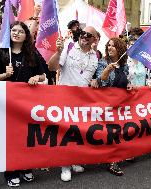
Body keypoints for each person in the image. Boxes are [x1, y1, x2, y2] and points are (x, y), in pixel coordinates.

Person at [48, 26, 99, 181]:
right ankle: (65, 165)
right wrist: (57, 52)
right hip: (65, 99)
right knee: (66, 133)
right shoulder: (68, 47)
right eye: (83, 33)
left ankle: (75, 160)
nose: (84, 36)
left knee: (78, 132)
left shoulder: (95, 55)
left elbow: (90, 76)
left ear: (95, 39)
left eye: (89, 35)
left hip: (83, 101)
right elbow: (52, 67)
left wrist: (94, 80)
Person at [0, 21, 45, 187]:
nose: (15, 33)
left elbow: (43, 75)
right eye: (13, 30)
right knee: (10, 138)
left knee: (26, 136)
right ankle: (11, 170)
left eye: (20, 31)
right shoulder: (1, 52)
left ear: (26, 35)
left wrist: (36, 78)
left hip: (27, 104)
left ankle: (25, 166)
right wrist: (4, 75)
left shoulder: (32, 53)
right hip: (6, 105)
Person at [93, 37, 130, 176]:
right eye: (108, 45)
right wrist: (107, 70)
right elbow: (100, 82)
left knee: (119, 131)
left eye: (113, 46)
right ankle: (112, 161)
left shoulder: (124, 64)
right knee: (110, 132)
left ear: (119, 48)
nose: (110, 48)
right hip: (106, 104)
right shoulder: (103, 62)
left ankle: (116, 156)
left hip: (120, 105)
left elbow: (125, 80)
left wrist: (129, 85)